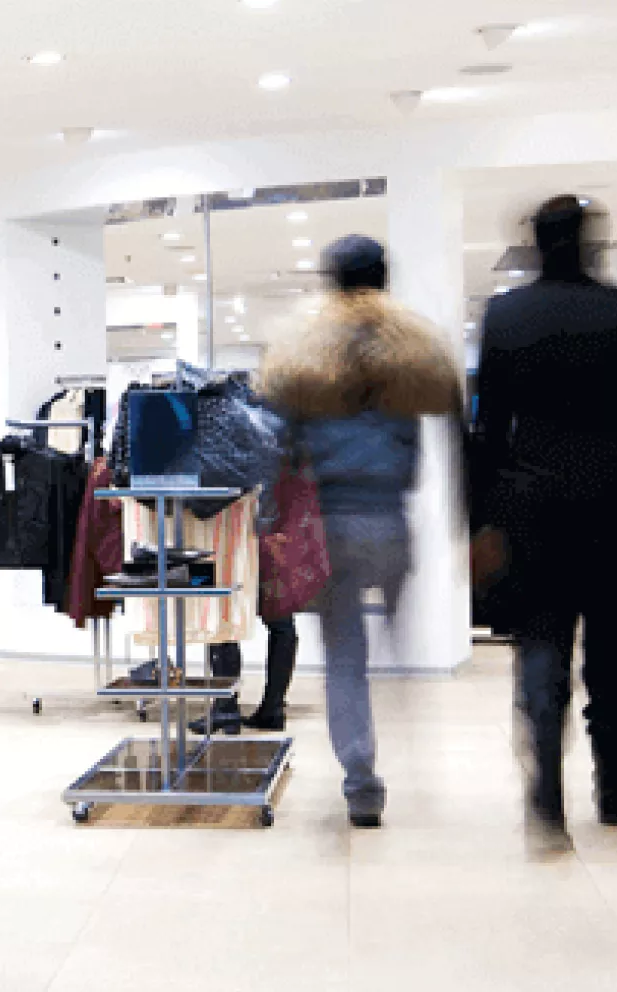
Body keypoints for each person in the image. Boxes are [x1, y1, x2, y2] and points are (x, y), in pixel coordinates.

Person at [475, 197, 617, 851]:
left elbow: (488, 432)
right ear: (590, 243)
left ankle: (545, 799)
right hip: (610, 507)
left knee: (541, 652)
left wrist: (480, 521)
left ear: (537, 244)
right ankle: (614, 789)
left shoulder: (507, 315)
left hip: (534, 510)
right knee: (609, 654)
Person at [261, 234, 464, 829]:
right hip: (392, 519)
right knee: (400, 642)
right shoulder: (412, 349)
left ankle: (362, 782)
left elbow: (278, 440)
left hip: (332, 523)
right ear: (384, 277)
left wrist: (272, 516)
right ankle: (421, 757)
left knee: (345, 657)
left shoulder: (306, 350)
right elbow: (451, 427)